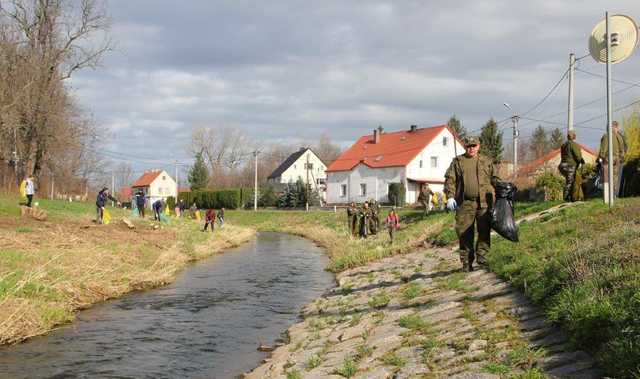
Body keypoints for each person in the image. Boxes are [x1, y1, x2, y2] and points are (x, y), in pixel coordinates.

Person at [444, 136, 499, 272]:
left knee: (484, 231)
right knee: (464, 233)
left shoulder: (486, 161)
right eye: (469, 146)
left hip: (485, 202)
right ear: (465, 147)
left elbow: (496, 179)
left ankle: (482, 257)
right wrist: (450, 197)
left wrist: (503, 190)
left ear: (478, 146)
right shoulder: (458, 162)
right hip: (465, 204)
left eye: (474, 146)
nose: (471, 148)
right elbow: (450, 180)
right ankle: (467, 263)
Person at [597, 120, 627, 196]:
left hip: (607, 159)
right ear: (616, 127)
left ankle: (607, 196)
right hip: (617, 159)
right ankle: (613, 195)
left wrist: (600, 158)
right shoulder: (620, 137)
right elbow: (623, 149)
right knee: (615, 177)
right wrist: (621, 159)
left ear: (611, 127)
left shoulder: (606, 136)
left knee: (606, 177)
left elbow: (603, 149)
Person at [558, 131, 585, 202]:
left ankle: (571, 197)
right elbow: (578, 156)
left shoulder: (563, 145)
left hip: (562, 165)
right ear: (574, 136)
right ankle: (566, 198)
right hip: (570, 165)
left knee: (570, 180)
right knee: (570, 182)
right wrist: (581, 161)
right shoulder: (573, 144)